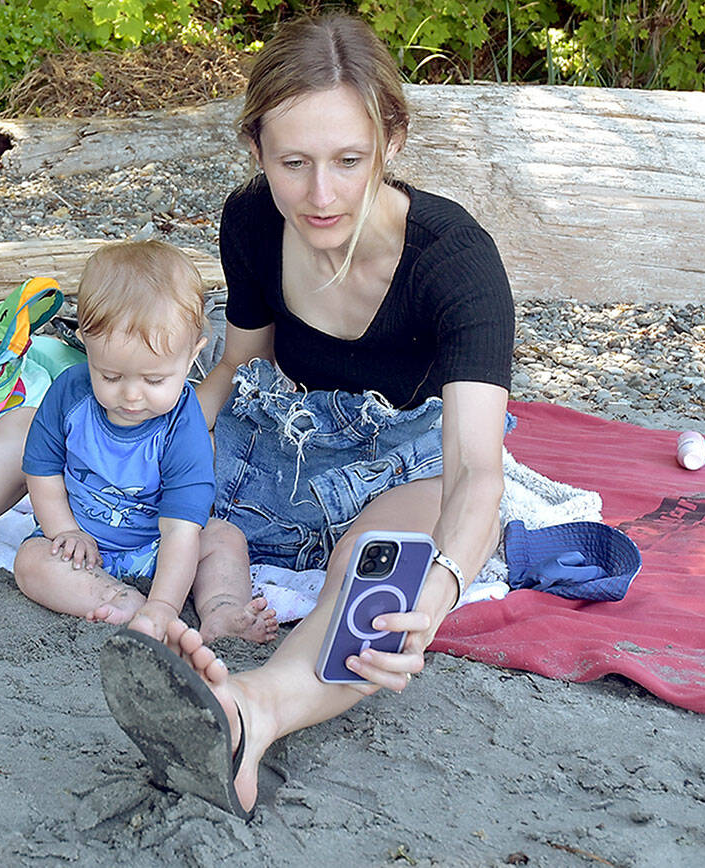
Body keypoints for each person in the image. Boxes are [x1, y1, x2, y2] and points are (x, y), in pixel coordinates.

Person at [97, 14, 515, 817]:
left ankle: (248, 713)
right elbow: (241, 367)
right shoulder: (252, 219)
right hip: (282, 437)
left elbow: (475, 468)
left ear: (391, 140)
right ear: (256, 149)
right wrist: (147, 445)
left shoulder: (456, 260)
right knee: (50, 431)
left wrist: (442, 589)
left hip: (408, 463)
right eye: (293, 163)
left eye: (348, 161)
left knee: (383, 565)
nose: (319, 196)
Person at [14, 240, 277, 644]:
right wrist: (66, 531)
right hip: (87, 549)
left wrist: (166, 606)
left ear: (192, 356)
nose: (132, 396)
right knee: (30, 562)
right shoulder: (69, 395)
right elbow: (42, 471)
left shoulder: (181, 427)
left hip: (162, 546)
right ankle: (119, 599)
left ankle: (221, 609)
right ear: (86, 341)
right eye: (111, 376)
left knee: (224, 538)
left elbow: (180, 529)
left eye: (155, 380)